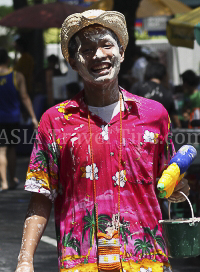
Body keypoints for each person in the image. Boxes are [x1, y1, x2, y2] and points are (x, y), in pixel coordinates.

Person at [15, 10, 189, 272]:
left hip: (146, 260)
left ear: (121, 52)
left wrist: (179, 189)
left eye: (106, 45)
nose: (98, 55)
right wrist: (25, 261)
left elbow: (171, 184)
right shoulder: (55, 121)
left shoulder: (154, 115)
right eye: (86, 49)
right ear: (73, 62)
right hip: (81, 262)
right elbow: (41, 196)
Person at [0, 48, 38, 191]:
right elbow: (24, 97)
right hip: (12, 118)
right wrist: (33, 117)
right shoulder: (17, 76)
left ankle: (3, 182)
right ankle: (12, 179)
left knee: (1, 150)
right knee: (11, 149)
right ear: (7, 60)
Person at [131, 62, 181, 128]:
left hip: (138, 130)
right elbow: (175, 119)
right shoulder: (167, 93)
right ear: (164, 75)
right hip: (158, 132)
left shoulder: (137, 86)